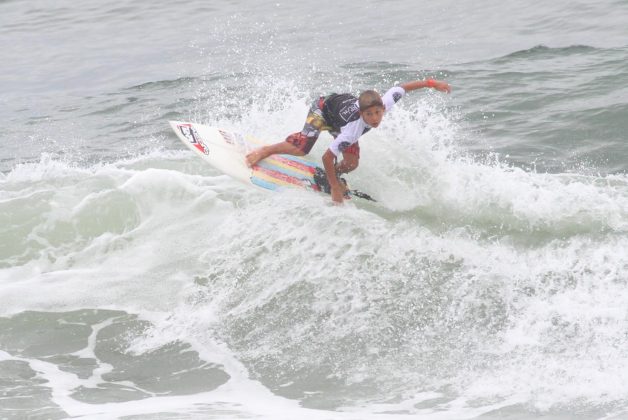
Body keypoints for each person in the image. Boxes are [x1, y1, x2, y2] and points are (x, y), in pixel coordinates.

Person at [245, 79, 451, 203]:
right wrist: (335, 188)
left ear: (383, 107)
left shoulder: (384, 103)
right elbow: (327, 156)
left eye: (378, 113)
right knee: (302, 148)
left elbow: (402, 88)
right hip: (323, 110)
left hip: (339, 121)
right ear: (362, 114)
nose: (375, 118)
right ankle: (266, 151)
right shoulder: (353, 130)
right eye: (369, 115)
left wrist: (433, 84)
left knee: (351, 163)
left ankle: (332, 177)